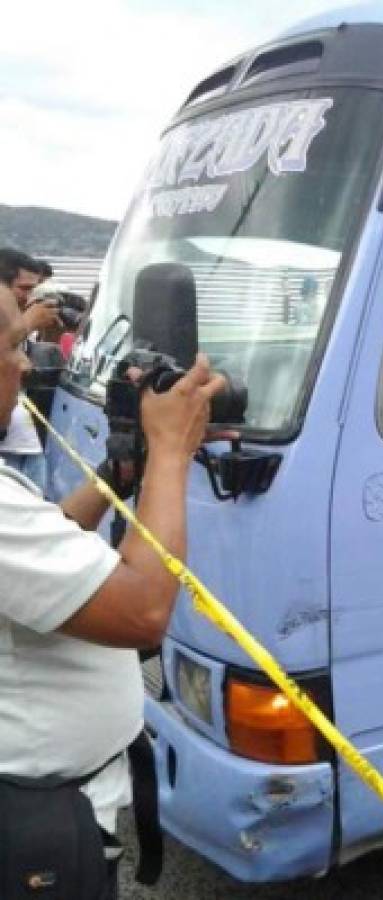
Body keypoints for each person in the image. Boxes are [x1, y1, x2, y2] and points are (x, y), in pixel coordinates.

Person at [0, 281, 228, 893]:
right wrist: (173, 452)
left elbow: (45, 542)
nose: (27, 364)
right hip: (35, 824)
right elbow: (145, 609)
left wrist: (115, 478)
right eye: (15, 345)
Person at [0, 249, 61, 490]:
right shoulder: (16, 323)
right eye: (24, 289)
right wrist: (27, 323)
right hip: (9, 451)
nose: (31, 298)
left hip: (24, 443)